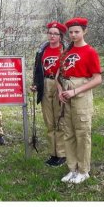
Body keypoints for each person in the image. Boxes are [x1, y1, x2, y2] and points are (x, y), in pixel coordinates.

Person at [57, 17, 102, 184]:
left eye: (77, 31)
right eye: (71, 32)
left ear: (85, 31)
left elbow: (97, 79)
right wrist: (61, 91)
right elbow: (59, 75)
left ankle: (84, 170)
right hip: (67, 95)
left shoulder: (90, 52)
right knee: (68, 133)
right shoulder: (66, 52)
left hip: (81, 96)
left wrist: (75, 91)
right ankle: (72, 168)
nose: (74, 35)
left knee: (82, 133)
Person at [31, 21, 67, 167]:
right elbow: (37, 69)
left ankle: (62, 154)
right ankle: (53, 153)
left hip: (59, 83)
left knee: (59, 119)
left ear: (60, 36)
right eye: (50, 33)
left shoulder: (65, 50)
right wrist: (35, 84)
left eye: (55, 33)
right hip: (45, 84)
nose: (52, 36)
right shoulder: (42, 50)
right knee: (49, 121)